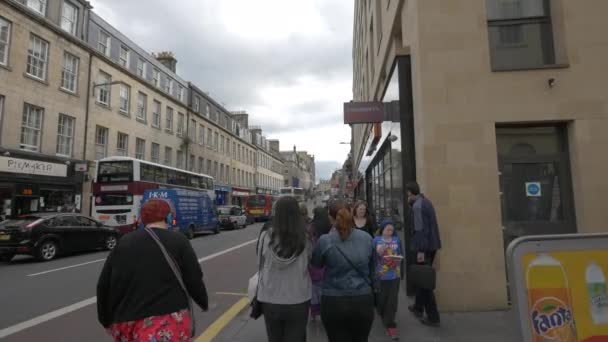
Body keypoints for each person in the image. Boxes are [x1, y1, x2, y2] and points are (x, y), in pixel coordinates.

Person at [97, 199, 209, 341]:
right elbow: (193, 278)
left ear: (143, 219)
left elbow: (103, 286)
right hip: (166, 322)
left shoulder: (124, 242)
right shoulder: (179, 241)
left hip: (127, 322)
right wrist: (202, 302)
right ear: (168, 217)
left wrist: (105, 320)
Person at [312, 200, 375, 342]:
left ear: (331, 218)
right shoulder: (366, 238)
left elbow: (316, 264)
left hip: (333, 300)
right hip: (362, 299)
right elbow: (373, 269)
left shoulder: (325, 240)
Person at [257, 196, 312, 342]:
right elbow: (311, 264)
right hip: (299, 298)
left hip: (270, 298)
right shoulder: (305, 238)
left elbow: (260, 265)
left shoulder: (265, 236)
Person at [406, 181, 442, 327]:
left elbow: (420, 230)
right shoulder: (424, 201)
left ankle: (433, 317)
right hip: (431, 245)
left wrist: (420, 251)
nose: (406, 195)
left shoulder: (417, 206)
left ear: (410, 192)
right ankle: (418, 307)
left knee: (425, 281)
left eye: (407, 193)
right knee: (422, 277)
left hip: (424, 247)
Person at [373, 220, 404, 340]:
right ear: (382, 229)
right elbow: (372, 258)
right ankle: (381, 312)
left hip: (394, 275)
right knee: (382, 300)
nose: (390, 232)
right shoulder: (376, 240)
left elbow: (401, 255)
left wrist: (398, 259)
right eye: (388, 230)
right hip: (381, 275)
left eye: (392, 230)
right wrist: (379, 252)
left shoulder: (397, 240)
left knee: (392, 301)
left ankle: (391, 325)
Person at [308, 206, 332, 321]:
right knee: (325, 287)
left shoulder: (311, 226)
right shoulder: (329, 226)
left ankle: (314, 313)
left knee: (313, 288)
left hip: (314, 260)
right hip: (326, 259)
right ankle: (325, 310)